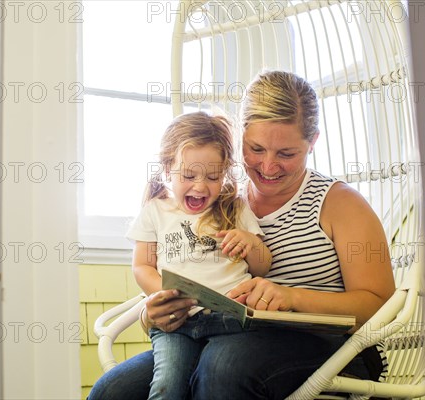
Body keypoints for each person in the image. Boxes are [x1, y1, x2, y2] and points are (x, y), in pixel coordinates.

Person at [88, 70, 396, 400]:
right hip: (222, 334)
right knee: (114, 390)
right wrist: (155, 313)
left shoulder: (340, 203)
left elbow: (379, 304)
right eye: (256, 148)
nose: (268, 166)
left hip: (328, 346)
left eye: (287, 154)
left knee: (223, 369)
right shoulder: (219, 200)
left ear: (313, 142)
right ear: (240, 138)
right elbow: (178, 269)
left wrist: (291, 298)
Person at [127, 111, 272, 400]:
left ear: (225, 173)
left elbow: (263, 267)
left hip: (230, 319)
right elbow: (142, 265)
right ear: (168, 170)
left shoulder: (234, 209)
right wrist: (164, 295)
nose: (200, 186)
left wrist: (249, 244)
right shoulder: (155, 211)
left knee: (218, 378)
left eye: (213, 176)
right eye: (189, 175)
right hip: (177, 323)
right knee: (167, 386)